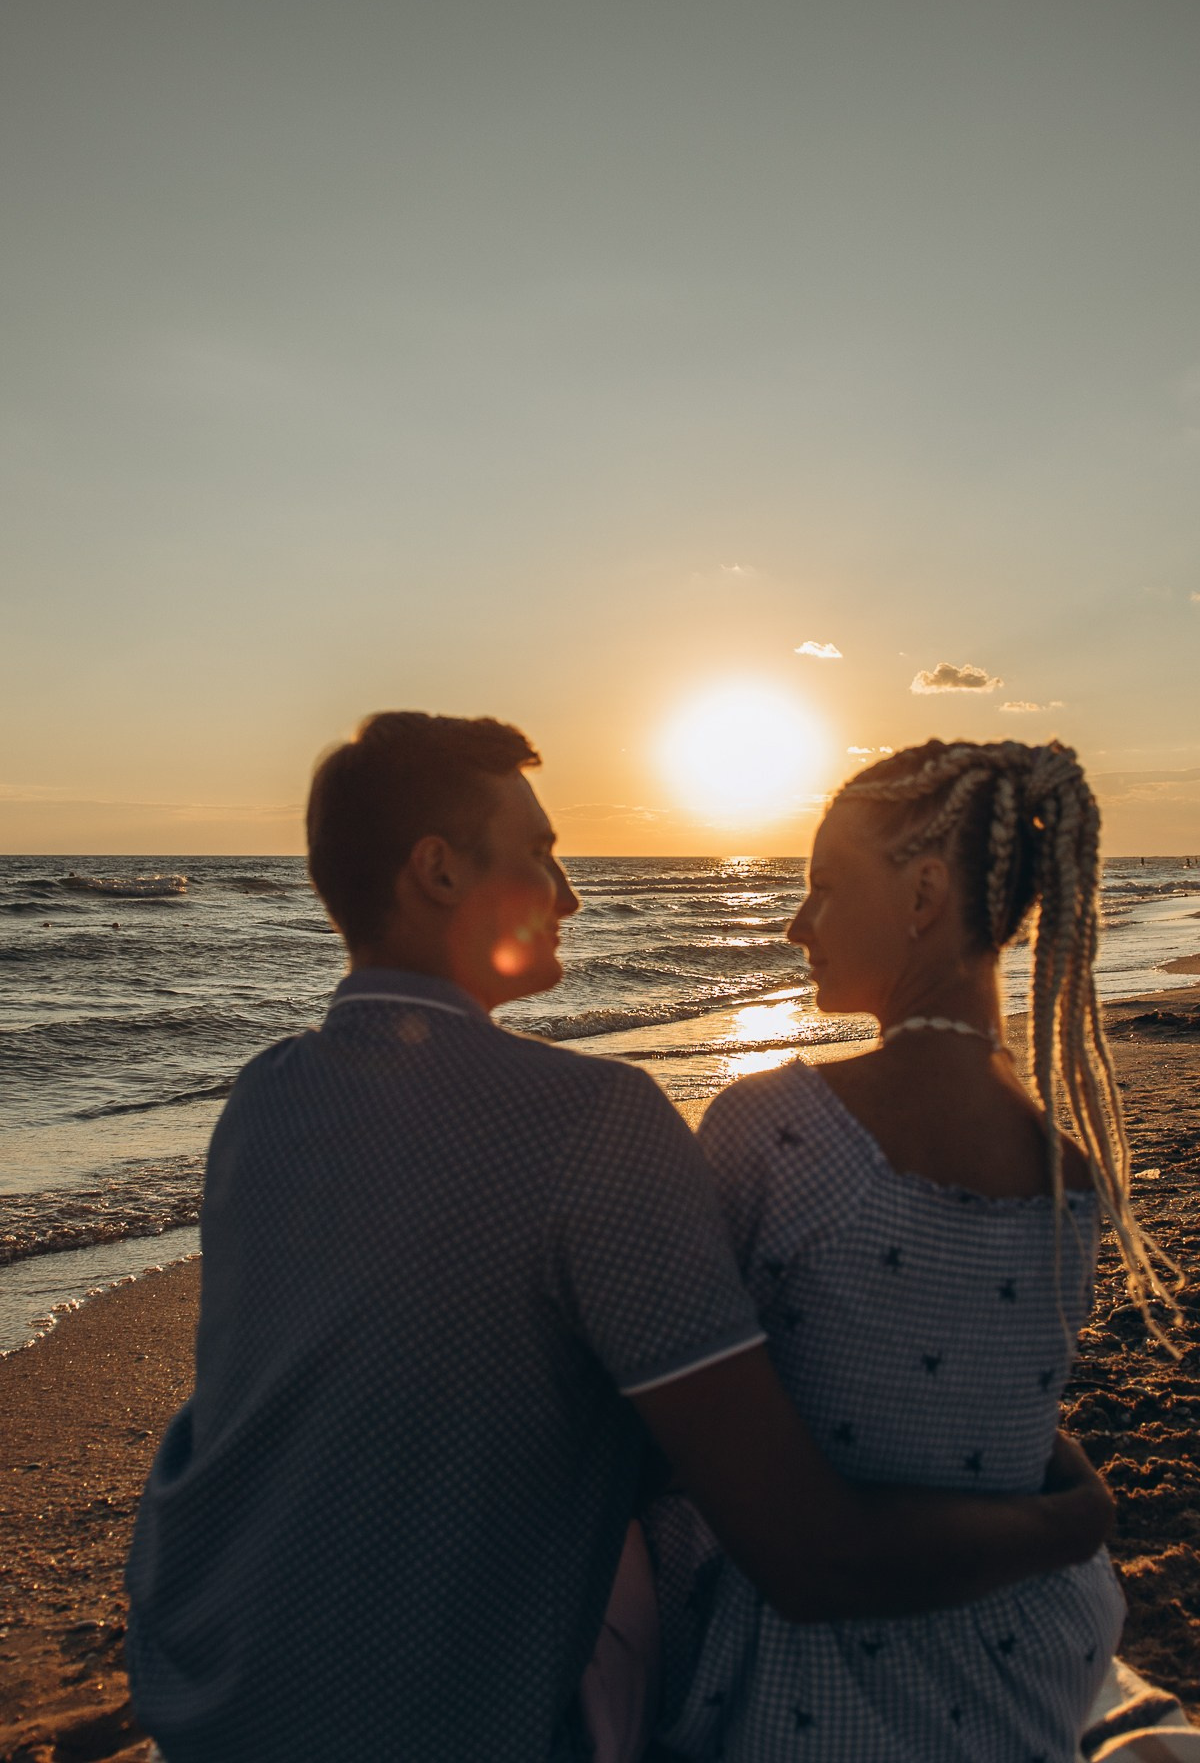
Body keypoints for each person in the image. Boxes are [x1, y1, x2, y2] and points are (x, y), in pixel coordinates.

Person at [126, 715, 1113, 1763]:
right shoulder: (592, 1121)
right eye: (541, 853)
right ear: (439, 871)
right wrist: (1072, 1524)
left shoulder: (265, 1099)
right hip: (434, 1725)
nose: (570, 895)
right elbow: (803, 1547)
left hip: (200, 1680)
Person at [648, 738, 1182, 1763]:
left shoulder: (779, 1128)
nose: (797, 923)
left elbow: (686, 1419)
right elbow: (992, 1430)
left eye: (824, 885)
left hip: (811, 1679)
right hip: (1021, 1654)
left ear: (925, 894)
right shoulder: (1073, 1178)